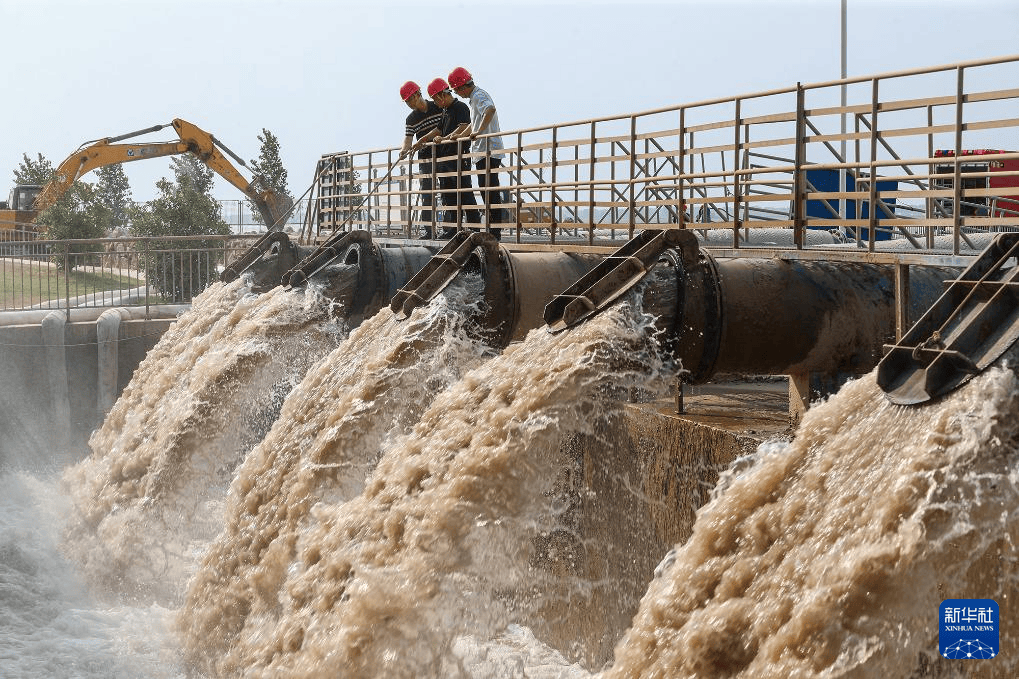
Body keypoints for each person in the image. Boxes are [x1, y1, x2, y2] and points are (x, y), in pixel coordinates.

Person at [448, 66, 508, 240]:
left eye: (456, 91)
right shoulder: (474, 98)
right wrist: (457, 135)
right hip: (483, 151)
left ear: (461, 87)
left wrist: (479, 131)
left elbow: (490, 110)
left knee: (489, 190)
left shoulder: (479, 95)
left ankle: (495, 231)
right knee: (485, 190)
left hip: (488, 150)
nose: (457, 94)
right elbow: (474, 123)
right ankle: (492, 228)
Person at [427, 76, 480, 237]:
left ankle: (474, 227)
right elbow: (438, 129)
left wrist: (443, 139)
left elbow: (463, 128)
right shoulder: (445, 111)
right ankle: (452, 228)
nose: (435, 103)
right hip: (445, 158)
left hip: (458, 156)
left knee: (464, 191)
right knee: (447, 195)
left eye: (435, 100)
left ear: (441, 96)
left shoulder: (460, 107)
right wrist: (424, 140)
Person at [399, 80, 443, 239]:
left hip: (445, 154)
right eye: (407, 101)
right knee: (427, 194)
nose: (409, 103)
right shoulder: (411, 119)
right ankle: (429, 231)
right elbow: (408, 138)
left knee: (448, 191)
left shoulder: (438, 106)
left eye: (411, 99)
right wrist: (403, 150)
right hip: (425, 158)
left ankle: (449, 230)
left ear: (418, 94)